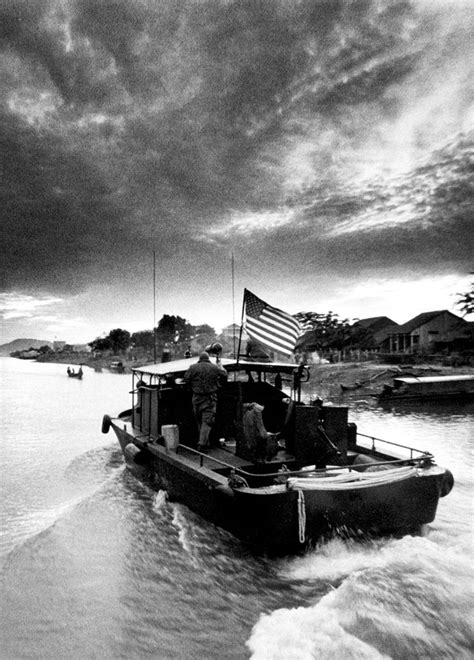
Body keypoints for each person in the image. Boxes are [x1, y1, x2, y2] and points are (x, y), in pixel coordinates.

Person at [184, 351, 227, 452]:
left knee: (199, 420)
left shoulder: (193, 367)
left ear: (200, 359)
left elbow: (186, 379)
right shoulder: (214, 368)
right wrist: (220, 366)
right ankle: (202, 444)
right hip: (209, 399)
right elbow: (224, 375)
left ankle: (204, 442)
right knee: (207, 422)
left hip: (196, 398)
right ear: (208, 359)